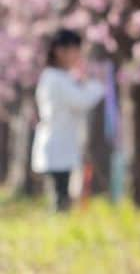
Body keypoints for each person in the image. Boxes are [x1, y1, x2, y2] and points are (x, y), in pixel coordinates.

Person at [31, 29, 106, 212]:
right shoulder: (54, 78)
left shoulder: (61, 77)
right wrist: (99, 85)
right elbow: (81, 100)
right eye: (74, 50)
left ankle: (57, 229)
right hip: (57, 145)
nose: (78, 56)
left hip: (61, 144)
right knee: (61, 195)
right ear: (59, 51)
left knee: (63, 193)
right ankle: (55, 232)